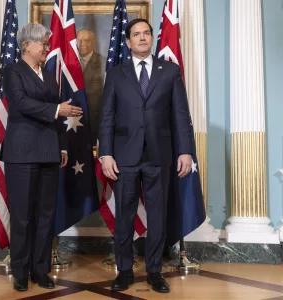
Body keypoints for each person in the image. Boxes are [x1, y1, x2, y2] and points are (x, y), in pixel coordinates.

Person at [98, 18, 194, 294]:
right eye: (136, 35)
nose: (142, 38)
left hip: (159, 155)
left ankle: (154, 272)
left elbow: (180, 114)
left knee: (158, 216)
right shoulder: (116, 74)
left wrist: (185, 150)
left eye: (146, 33)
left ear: (152, 38)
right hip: (124, 156)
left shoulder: (170, 71)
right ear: (127, 42)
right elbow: (106, 117)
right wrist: (105, 153)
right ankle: (124, 270)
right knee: (124, 218)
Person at [0, 23, 82, 292]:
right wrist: (57, 109)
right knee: (22, 216)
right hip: (21, 152)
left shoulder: (49, 75)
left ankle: (40, 269)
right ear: (27, 45)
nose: (48, 48)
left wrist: (63, 147)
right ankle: (20, 272)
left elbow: (57, 115)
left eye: (47, 44)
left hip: (49, 151)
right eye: (44, 44)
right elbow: (21, 104)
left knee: (46, 215)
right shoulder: (12, 71)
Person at [76, 29, 106, 146]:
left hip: (95, 121)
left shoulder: (103, 63)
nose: (81, 44)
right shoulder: (67, 62)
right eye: (79, 41)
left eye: (86, 41)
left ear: (93, 42)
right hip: (71, 121)